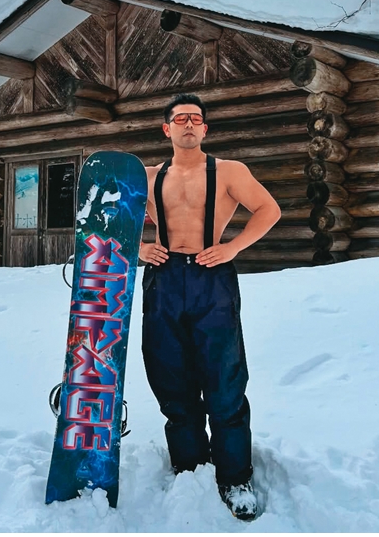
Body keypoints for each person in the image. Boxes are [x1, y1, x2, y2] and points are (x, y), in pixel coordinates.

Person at [139, 93, 281, 520]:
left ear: (205, 129)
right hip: (163, 279)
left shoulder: (229, 172)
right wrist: (138, 248)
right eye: (180, 118)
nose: (188, 124)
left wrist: (232, 247)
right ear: (167, 128)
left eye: (196, 119)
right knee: (170, 378)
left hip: (211, 276)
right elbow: (99, 218)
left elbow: (268, 209)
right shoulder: (145, 177)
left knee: (224, 380)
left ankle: (236, 477)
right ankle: (190, 468)